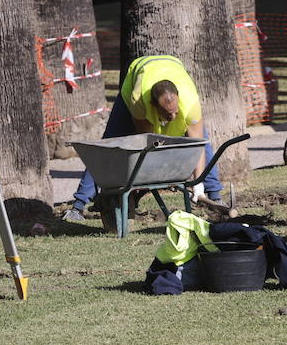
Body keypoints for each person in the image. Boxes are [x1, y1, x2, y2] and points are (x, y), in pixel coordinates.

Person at [67, 53, 222, 220]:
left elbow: (196, 145)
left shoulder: (190, 103)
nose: (172, 118)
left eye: (175, 111)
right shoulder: (138, 101)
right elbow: (147, 141)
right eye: (167, 114)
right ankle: (78, 205)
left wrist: (197, 184)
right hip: (136, 78)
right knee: (107, 148)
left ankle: (215, 197)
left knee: (202, 141)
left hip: (171, 68)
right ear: (153, 105)